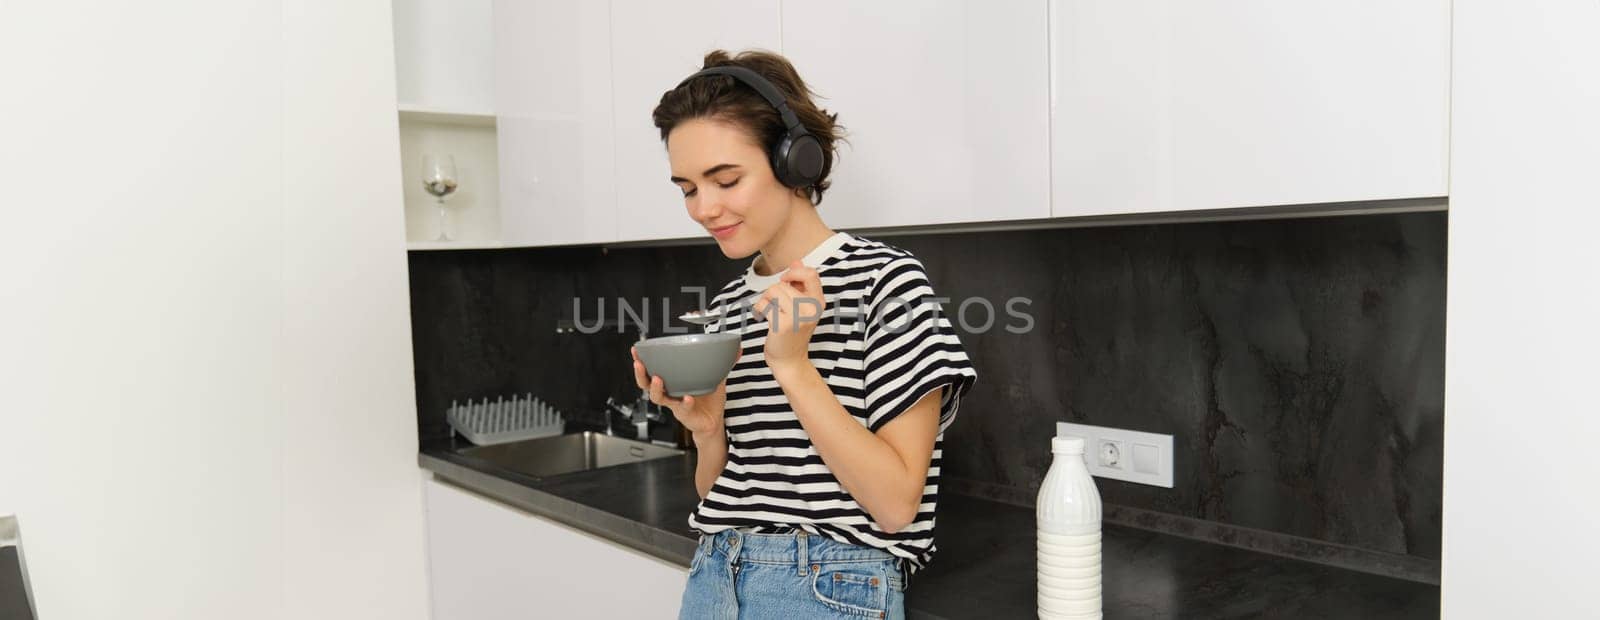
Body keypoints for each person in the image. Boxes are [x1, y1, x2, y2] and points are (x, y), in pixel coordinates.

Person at [630, 49, 977, 620]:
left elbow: (895, 506)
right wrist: (710, 431)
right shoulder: (726, 308)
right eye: (688, 188)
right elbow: (722, 494)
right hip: (715, 577)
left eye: (725, 179)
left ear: (796, 161)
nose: (704, 208)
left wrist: (793, 365)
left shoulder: (885, 283)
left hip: (827, 587)